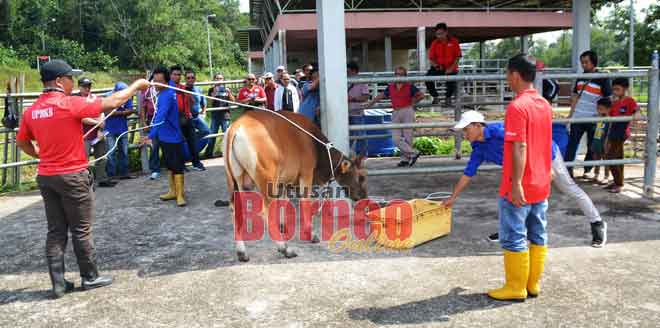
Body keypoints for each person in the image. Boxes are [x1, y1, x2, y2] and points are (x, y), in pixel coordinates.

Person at [16, 59, 150, 298]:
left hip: (47, 177)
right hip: (73, 176)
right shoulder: (69, 104)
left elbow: (22, 142)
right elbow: (113, 102)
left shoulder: (32, 110)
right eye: (70, 78)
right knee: (81, 229)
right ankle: (90, 277)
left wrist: (40, 155)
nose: (72, 83)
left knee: (55, 231)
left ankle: (58, 283)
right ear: (59, 81)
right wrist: (137, 85)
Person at [444, 110, 607, 248]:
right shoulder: (479, 148)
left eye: (466, 130)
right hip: (522, 165)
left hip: (545, 153)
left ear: (478, 126)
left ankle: (597, 223)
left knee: (568, 188)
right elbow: (468, 174)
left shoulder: (499, 131)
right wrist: (453, 197)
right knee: (511, 196)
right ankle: (510, 230)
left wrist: (546, 166)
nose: (464, 135)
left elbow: (531, 142)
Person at [486, 54, 553, 301]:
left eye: (507, 74)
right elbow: (546, 142)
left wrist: (515, 184)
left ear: (515, 74)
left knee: (514, 235)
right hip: (540, 182)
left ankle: (515, 287)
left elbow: (520, 147)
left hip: (521, 185)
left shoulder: (517, 107)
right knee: (538, 233)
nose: (507, 79)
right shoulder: (544, 104)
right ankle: (532, 284)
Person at [143, 66, 187, 207]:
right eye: (154, 81)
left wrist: (150, 135)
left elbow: (160, 117)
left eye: (159, 81)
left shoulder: (167, 95)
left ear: (166, 82)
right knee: (169, 165)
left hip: (172, 137)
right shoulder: (167, 90)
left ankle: (180, 195)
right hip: (164, 136)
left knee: (177, 166)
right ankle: (172, 191)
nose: (156, 84)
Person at [365, 66, 424, 167]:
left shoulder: (410, 86)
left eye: (401, 74)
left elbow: (421, 95)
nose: (398, 76)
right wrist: (370, 103)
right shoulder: (391, 86)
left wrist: (412, 103)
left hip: (407, 111)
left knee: (408, 137)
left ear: (405, 76)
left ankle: (405, 159)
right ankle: (413, 153)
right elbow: (381, 95)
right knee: (395, 139)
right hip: (396, 112)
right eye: (397, 74)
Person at [566, 50, 612, 179]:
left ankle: (587, 169)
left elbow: (608, 98)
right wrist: (570, 115)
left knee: (592, 145)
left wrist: (604, 116)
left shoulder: (603, 78)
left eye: (586, 62)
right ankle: (568, 170)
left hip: (594, 118)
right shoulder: (580, 77)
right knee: (572, 143)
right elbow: (575, 96)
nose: (584, 65)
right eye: (582, 62)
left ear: (594, 62)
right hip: (578, 117)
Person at [77, 77, 115, 188]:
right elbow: (81, 117)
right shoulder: (76, 100)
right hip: (83, 134)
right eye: (85, 86)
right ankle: (85, 181)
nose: (87, 88)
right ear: (79, 87)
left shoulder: (95, 98)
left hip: (97, 133)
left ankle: (102, 178)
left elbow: (101, 112)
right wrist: (97, 123)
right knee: (84, 159)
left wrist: (100, 128)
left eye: (89, 86)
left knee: (102, 157)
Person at [605, 77, 640, 193]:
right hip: (613, 131)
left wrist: (637, 115)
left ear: (625, 89)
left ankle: (618, 183)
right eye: (613, 89)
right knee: (618, 157)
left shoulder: (629, 100)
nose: (615, 92)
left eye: (617, 89)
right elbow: (609, 115)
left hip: (622, 132)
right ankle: (618, 181)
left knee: (611, 157)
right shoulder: (614, 102)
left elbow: (636, 110)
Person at [170, 65, 205, 171]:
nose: (177, 77)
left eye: (179, 75)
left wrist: (187, 95)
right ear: (170, 75)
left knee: (192, 141)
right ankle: (181, 165)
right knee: (178, 142)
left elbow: (192, 102)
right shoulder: (167, 88)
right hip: (175, 119)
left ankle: (196, 163)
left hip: (187, 117)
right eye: (175, 75)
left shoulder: (183, 87)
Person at [104, 82, 135, 180]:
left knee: (124, 152)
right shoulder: (108, 96)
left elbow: (130, 110)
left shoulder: (127, 96)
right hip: (109, 128)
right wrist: (123, 112)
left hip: (122, 128)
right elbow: (107, 112)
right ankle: (111, 175)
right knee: (110, 153)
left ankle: (124, 173)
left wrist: (117, 112)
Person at [426, 23, 462, 106]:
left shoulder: (454, 42)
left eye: (441, 34)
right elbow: (431, 58)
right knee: (427, 78)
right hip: (439, 67)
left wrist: (451, 68)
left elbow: (457, 57)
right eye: (437, 34)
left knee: (451, 80)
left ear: (446, 32)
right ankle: (435, 97)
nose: (439, 36)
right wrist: (436, 66)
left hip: (451, 68)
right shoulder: (434, 43)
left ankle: (448, 98)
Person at [206, 73, 235, 158]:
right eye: (217, 78)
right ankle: (209, 153)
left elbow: (233, 101)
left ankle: (228, 153)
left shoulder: (227, 89)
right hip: (215, 115)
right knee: (212, 134)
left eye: (221, 78)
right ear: (214, 80)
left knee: (226, 134)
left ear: (223, 80)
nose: (219, 80)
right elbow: (209, 103)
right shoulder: (211, 89)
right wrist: (214, 93)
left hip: (225, 114)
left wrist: (229, 93)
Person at [185, 71, 211, 159]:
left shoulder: (198, 89)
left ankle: (191, 142)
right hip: (186, 118)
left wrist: (203, 112)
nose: (190, 79)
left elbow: (204, 101)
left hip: (197, 117)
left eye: (192, 77)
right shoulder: (182, 89)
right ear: (185, 79)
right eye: (188, 78)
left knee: (206, 131)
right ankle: (189, 155)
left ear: (195, 79)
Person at [140, 81, 160, 180]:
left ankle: (172, 165)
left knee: (168, 142)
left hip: (163, 119)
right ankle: (155, 169)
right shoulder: (147, 92)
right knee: (154, 145)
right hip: (152, 119)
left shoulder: (163, 89)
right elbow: (143, 108)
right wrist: (144, 123)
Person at [591, 98, 611, 185]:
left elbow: (609, 132)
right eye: (598, 108)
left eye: (601, 109)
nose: (598, 110)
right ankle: (596, 174)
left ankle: (606, 176)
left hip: (604, 141)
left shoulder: (609, 119)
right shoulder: (598, 117)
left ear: (608, 109)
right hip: (597, 141)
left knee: (605, 159)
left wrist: (606, 143)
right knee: (596, 159)